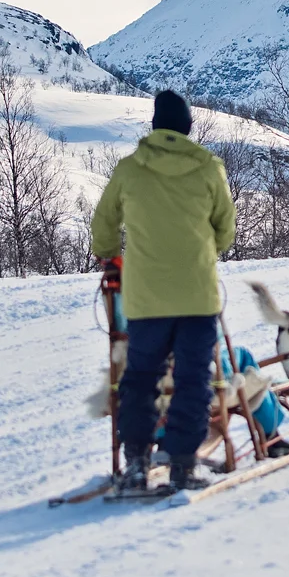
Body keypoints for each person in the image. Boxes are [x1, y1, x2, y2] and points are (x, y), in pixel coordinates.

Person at [91, 89, 237, 491]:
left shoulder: (130, 169)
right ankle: (183, 463)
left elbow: (103, 224)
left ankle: (136, 461)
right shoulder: (209, 168)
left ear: (154, 127)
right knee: (193, 379)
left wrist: (108, 256)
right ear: (189, 128)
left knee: (140, 377)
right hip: (197, 295)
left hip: (145, 300)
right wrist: (206, 251)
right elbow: (226, 230)